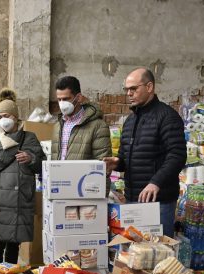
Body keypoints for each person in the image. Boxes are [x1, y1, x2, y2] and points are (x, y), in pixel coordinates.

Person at [103, 68, 187, 238]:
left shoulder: (167, 117)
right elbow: (124, 156)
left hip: (158, 202)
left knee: (158, 255)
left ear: (149, 87)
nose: (129, 93)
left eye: (134, 89)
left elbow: (177, 155)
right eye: (127, 89)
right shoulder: (130, 121)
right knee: (133, 256)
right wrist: (116, 162)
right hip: (133, 200)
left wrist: (156, 182)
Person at [0, 88, 45, 264]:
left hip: (20, 201)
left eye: (6, 115)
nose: (3, 120)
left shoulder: (29, 138)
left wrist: (31, 158)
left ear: (15, 117)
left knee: (14, 243)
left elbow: (42, 166)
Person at [52, 76, 111, 161]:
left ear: (78, 97)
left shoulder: (98, 126)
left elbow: (103, 165)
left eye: (66, 99)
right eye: (59, 99)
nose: (62, 103)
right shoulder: (57, 126)